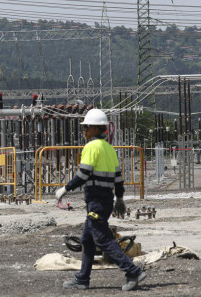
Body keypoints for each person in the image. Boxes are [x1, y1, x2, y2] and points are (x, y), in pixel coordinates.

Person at [55, 108, 147, 291]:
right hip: (105, 201)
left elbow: (83, 175)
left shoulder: (91, 147)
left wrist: (65, 189)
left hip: (96, 201)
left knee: (102, 238)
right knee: (87, 240)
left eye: (86, 127)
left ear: (96, 128)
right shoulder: (109, 149)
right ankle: (82, 279)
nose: (84, 131)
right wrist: (119, 199)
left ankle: (133, 271)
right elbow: (118, 178)